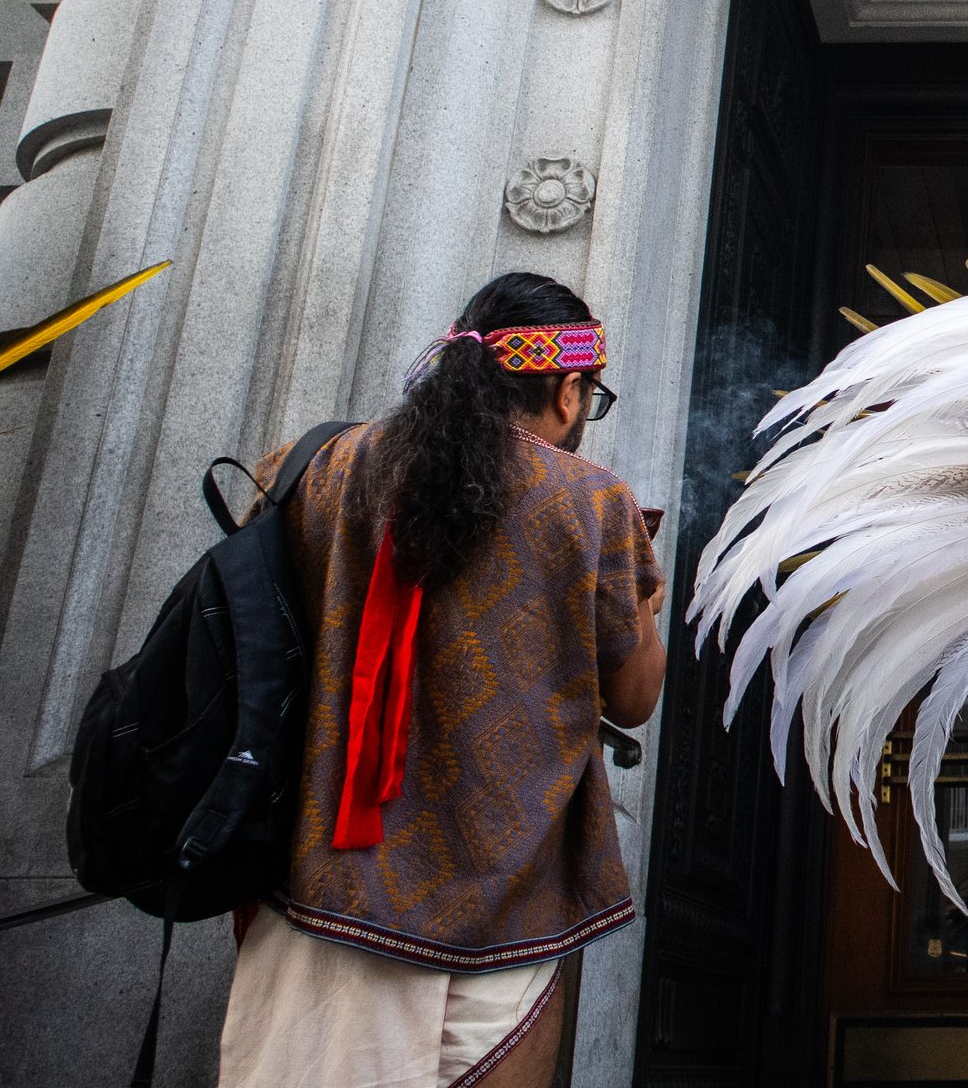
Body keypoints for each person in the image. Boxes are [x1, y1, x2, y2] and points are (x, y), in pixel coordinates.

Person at [217, 272, 665, 1088]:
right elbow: (633, 699)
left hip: (317, 882)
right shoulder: (594, 502)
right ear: (570, 390)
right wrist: (650, 597)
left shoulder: (310, 463)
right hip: (503, 904)